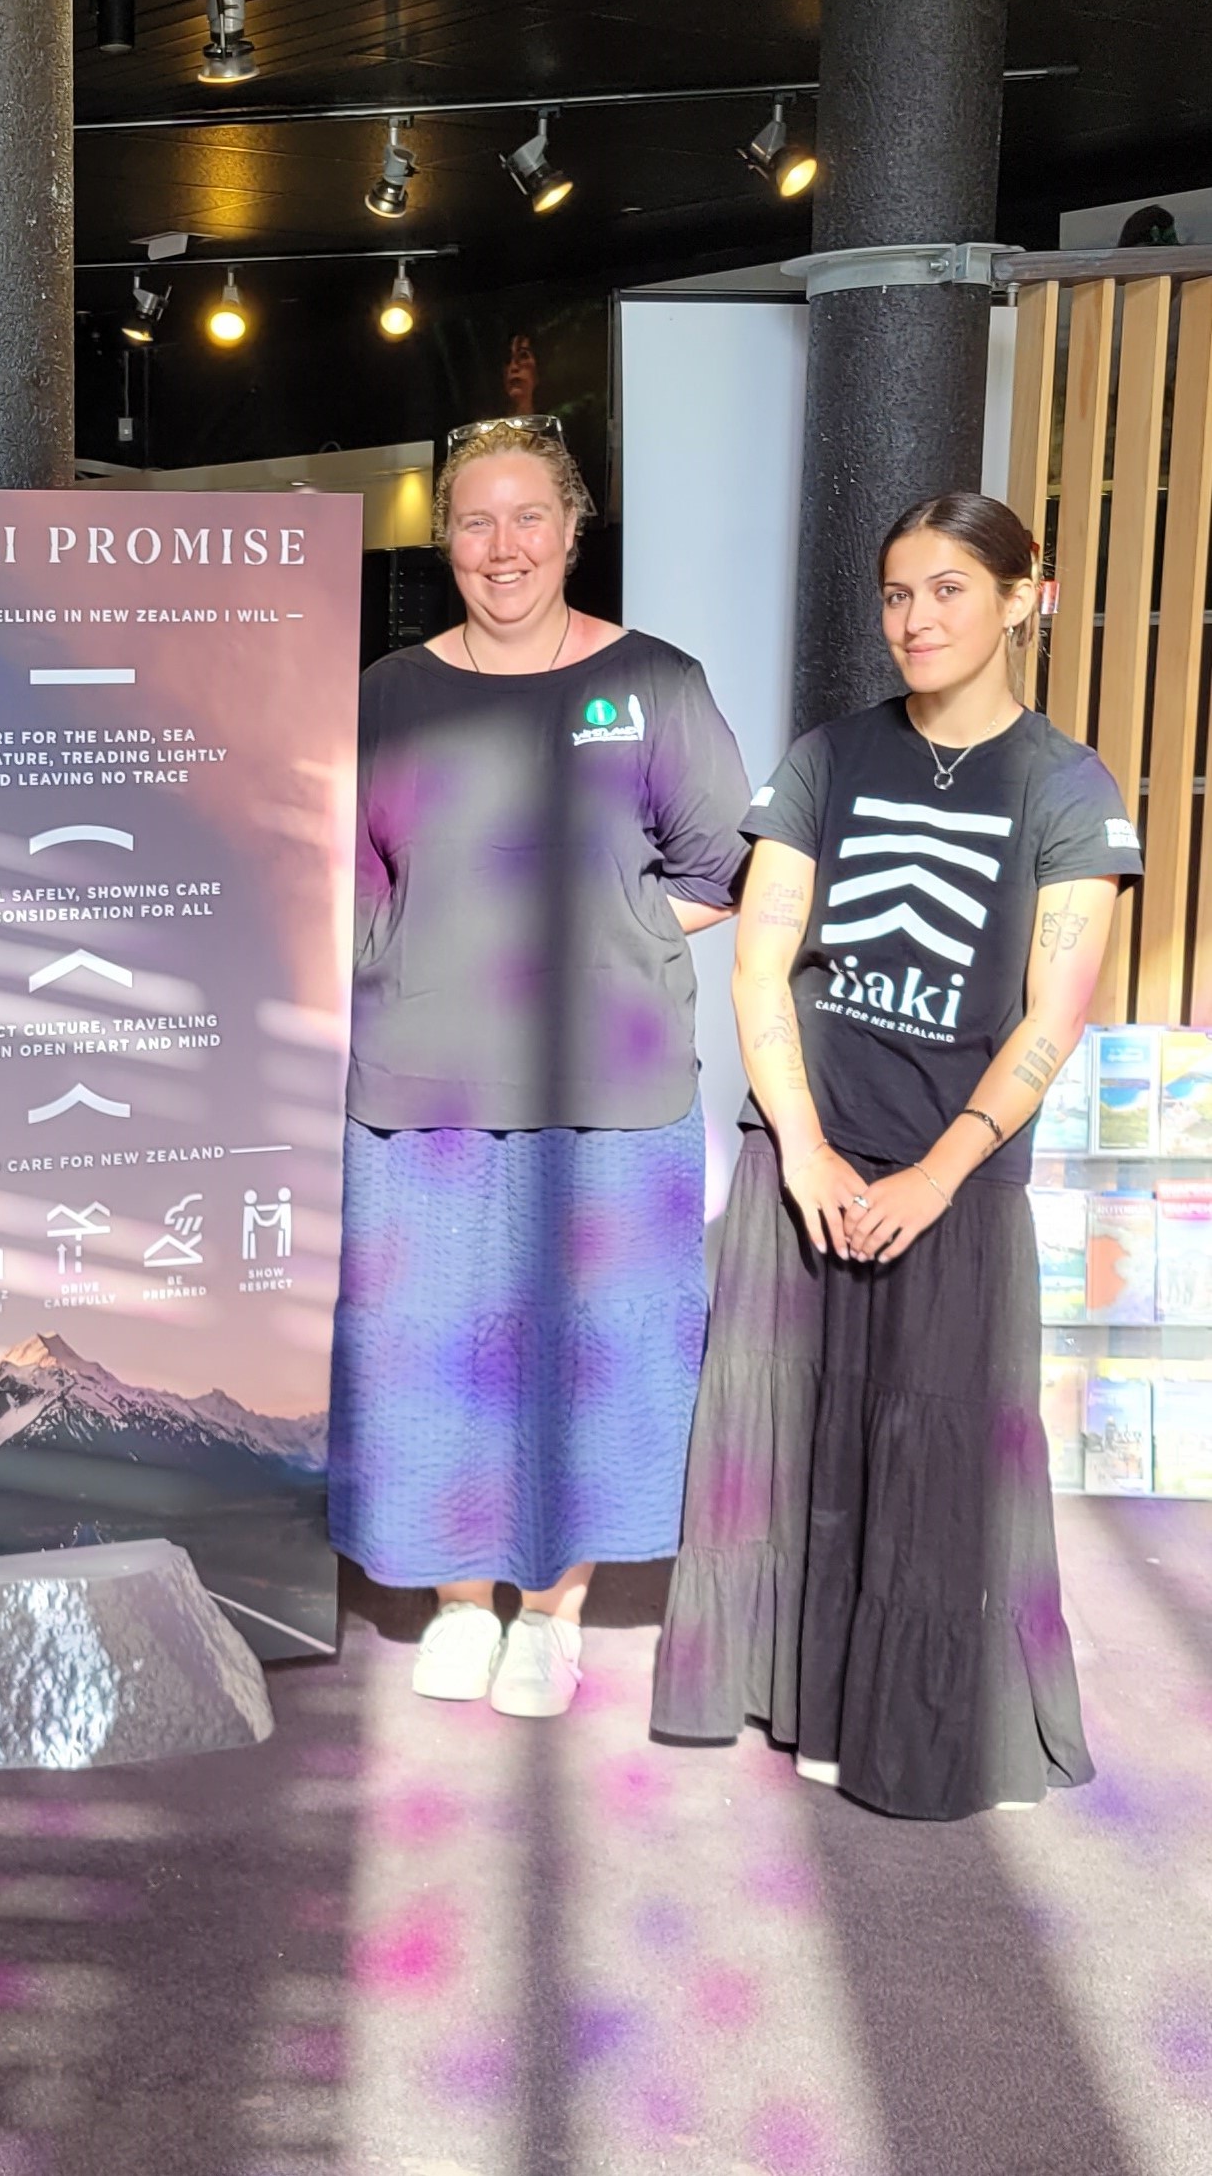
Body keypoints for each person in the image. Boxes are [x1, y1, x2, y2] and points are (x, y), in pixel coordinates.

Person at [653, 493, 1136, 1820]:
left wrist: (936, 1173)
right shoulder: (825, 758)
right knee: (795, 1427)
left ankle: (907, 1723)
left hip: (955, 1175)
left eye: (948, 591)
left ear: (1021, 596)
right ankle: (801, 1698)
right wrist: (800, 1147)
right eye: (895, 594)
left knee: (932, 1454)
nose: (915, 619)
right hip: (806, 1152)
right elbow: (759, 961)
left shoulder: (1064, 786)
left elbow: (1054, 1012)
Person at [334, 421, 749, 1717]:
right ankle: (459, 1594)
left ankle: (548, 1608)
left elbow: (719, 865)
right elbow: (349, 883)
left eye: (527, 517)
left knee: (586, 1350)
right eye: (472, 520)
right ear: (441, 537)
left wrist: (602, 930)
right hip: (421, 1086)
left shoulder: (653, 682)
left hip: (607, 1096)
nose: (500, 546)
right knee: (429, 1343)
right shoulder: (387, 691)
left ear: (572, 529)